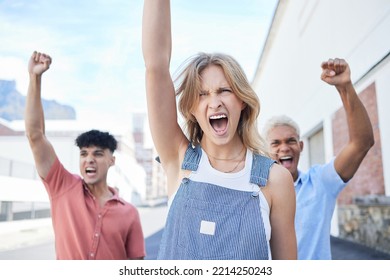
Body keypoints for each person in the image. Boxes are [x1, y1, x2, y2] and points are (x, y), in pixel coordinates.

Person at [142, 0, 297, 260]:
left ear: (242, 101)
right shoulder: (177, 158)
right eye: (202, 94)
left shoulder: (276, 180)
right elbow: (155, 67)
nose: (214, 102)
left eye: (224, 90)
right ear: (191, 108)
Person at [25, 51, 145, 260]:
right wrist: (35, 78)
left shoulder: (130, 213)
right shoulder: (62, 186)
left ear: (111, 161)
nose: (89, 159)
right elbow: (35, 135)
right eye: (84, 154)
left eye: (98, 154)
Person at [263, 58, 375, 260]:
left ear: (301, 146)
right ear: (265, 151)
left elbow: (361, 143)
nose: (284, 147)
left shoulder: (320, 182)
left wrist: (344, 87)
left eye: (291, 140)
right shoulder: (256, 192)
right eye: (275, 143)